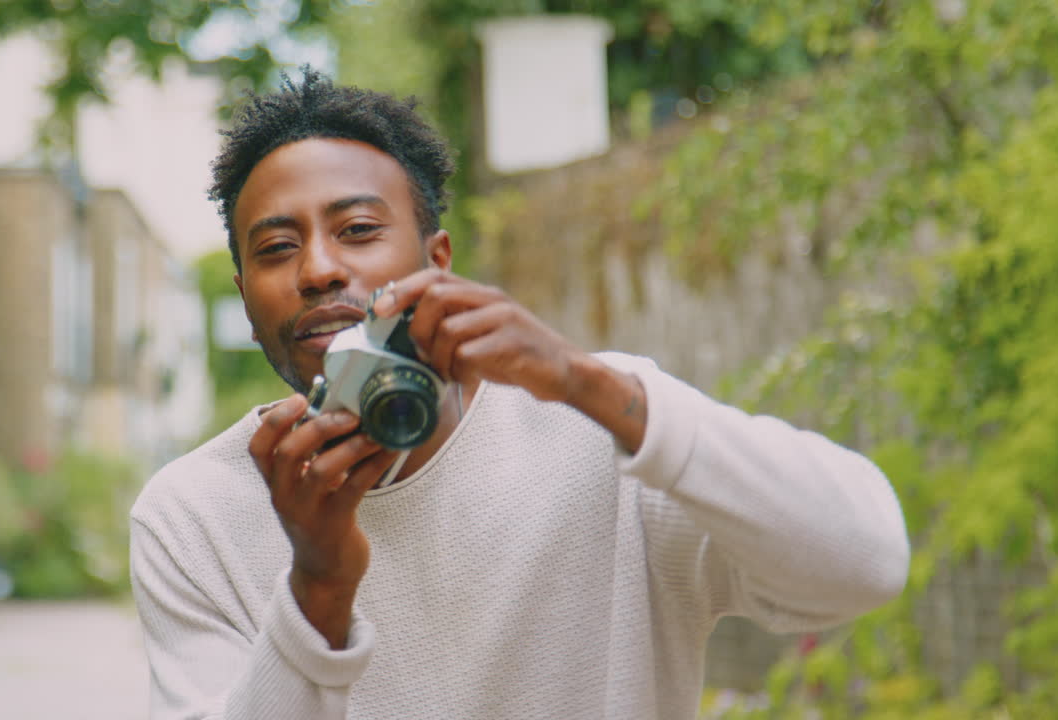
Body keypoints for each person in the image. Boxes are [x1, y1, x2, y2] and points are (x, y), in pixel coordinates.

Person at [129, 68, 910, 720]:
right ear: (245, 297)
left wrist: (588, 384)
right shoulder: (193, 515)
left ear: (437, 262)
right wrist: (318, 588)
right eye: (276, 247)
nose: (319, 270)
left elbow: (865, 564)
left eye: (359, 229)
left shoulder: (602, 431)